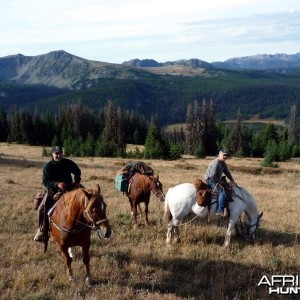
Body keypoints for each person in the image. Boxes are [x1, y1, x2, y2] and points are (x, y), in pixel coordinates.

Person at [33, 145, 81, 242]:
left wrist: (76, 182)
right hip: (53, 190)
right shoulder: (48, 167)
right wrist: (56, 184)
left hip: (69, 187)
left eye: (60, 153)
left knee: (84, 199)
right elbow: (45, 181)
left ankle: (87, 226)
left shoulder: (68, 163)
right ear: (52, 154)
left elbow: (77, 171)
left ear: (62, 153)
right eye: (56, 153)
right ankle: (42, 230)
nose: (58, 155)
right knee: (42, 208)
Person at [205, 149, 236, 217]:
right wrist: (219, 181)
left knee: (227, 188)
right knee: (222, 191)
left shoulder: (223, 163)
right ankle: (219, 210)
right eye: (224, 155)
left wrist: (232, 180)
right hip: (210, 180)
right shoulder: (216, 163)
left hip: (216, 179)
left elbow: (227, 172)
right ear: (219, 154)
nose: (225, 156)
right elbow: (212, 176)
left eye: (226, 155)